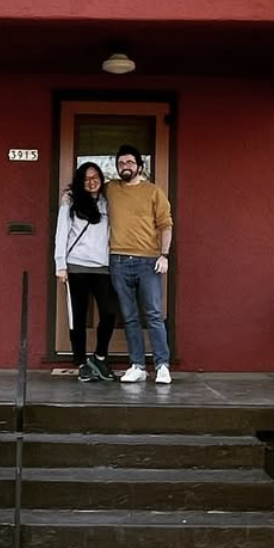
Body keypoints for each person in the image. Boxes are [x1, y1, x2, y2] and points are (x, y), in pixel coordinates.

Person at [106, 144, 174, 384]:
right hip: (118, 260)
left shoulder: (154, 192)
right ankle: (137, 365)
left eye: (130, 163)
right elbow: (88, 191)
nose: (126, 166)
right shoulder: (110, 189)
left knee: (153, 314)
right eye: (121, 163)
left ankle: (162, 365)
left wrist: (164, 255)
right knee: (129, 316)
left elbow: (166, 225)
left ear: (139, 166)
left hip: (148, 261)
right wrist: (68, 195)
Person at [53, 162, 117, 383]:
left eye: (95, 177)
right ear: (81, 181)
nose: (92, 181)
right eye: (86, 178)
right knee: (77, 317)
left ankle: (99, 356)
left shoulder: (107, 203)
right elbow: (61, 233)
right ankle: (81, 362)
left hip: (102, 267)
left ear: (101, 178)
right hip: (76, 266)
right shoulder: (70, 202)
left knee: (109, 312)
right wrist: (60, 265)